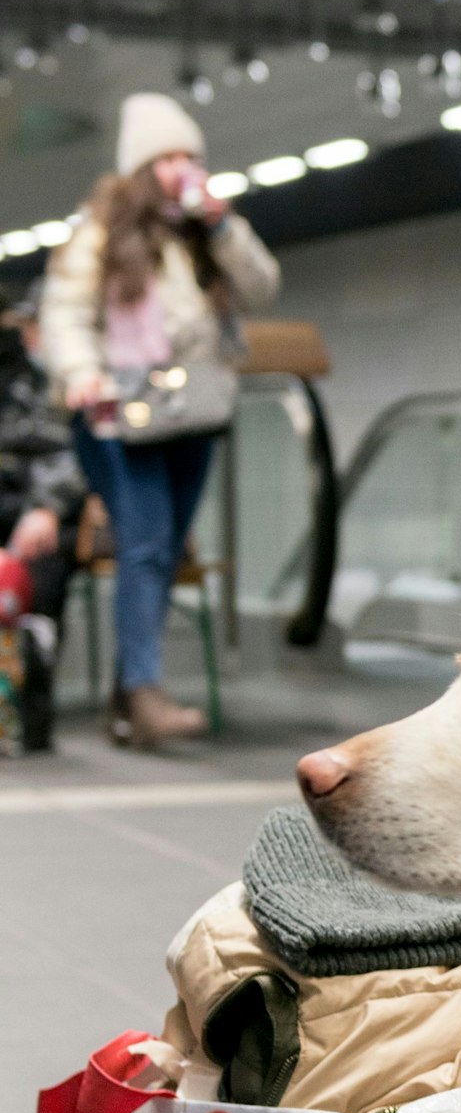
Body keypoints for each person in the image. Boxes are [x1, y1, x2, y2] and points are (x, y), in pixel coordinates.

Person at [39, 92, 279, 749]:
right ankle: (144, 696)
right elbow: (64, 314)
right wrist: (81, 371)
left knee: (165, 550)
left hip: (193, 411)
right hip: (118, 415)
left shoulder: (205, 235)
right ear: (142, 167)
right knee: (144, 548)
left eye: (190, 155)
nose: (181, 167)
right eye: (168, 156)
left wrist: (224, 226)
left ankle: (127, 699)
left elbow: (262, 286)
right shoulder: (100, 234)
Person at [0, 284, 86, 633]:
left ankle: (31, 671)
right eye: (28, 326)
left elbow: (82, 455)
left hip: (46, 514)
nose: (31, 335)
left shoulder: (70, 383)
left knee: (43, 561)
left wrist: (47, 508)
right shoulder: (17, 377)